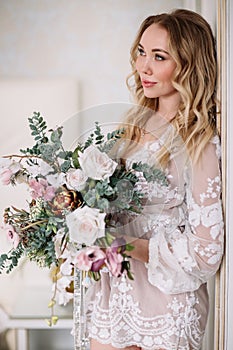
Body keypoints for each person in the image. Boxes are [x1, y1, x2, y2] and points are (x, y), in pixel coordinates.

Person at [85, 9, 224, 350]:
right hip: (114, 293)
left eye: (159, 57)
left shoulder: (200, 142)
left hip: (166, 304)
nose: (143, 67)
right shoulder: (131, 127)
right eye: (141, 52)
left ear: (189, 64)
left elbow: (206, 251)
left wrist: (123, 246)